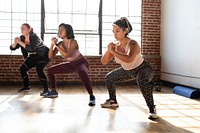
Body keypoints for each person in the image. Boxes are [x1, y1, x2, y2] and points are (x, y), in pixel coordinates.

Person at [100, 17, 157, 119]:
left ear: (125, 31)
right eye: (113, 32)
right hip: (128, 71)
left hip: (143, 68)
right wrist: (109, 50)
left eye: (117, 31)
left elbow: (129, 59)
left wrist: (112, 51)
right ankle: (113, 101)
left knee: (142, 79)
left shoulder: (133, 43)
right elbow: (104, 62)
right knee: (109, 77)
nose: (115, 34)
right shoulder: (115, 46)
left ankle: (152, 108)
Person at [46, 23, 96, 106]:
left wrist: (56, 45)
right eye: (59, 30)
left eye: (62, 30)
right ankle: (53, 91)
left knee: (81, 71)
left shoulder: (73, 42)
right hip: (72, 64)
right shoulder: (60, 44)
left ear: (68, 31)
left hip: (81, 63)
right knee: (50, 71)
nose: (60, 31)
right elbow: (50, 57)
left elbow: (66, 55)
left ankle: (91, 96)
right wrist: (52, 45)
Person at [10, 23, 50, 96]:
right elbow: (12, 48)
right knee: (22, 69)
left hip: (43, 55)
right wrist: (15, 43)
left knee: (39, 69)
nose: (21, 30)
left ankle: (46, 89)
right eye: (21, 28)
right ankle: (26, 86)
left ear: (29, 29)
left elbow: (32, 48)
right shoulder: (22, 38)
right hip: (33, 56)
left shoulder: (35, 37)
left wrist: (19, 42)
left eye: (23, 28)